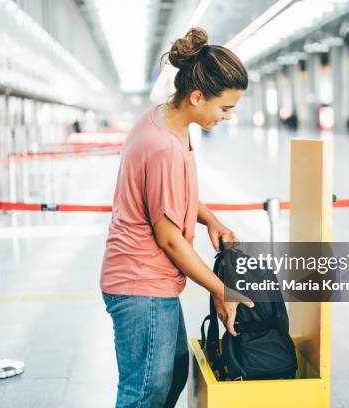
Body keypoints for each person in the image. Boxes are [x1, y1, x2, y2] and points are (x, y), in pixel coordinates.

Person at [100, 27, 253, 407]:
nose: (226, 117)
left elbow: (170, 194)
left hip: (148, 282)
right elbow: (168, 237)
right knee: (145, 392)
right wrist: (221, 289)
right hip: (140, 284)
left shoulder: (166, 120)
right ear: (198, 96)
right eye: (224, 108)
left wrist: (210, 219)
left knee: (173, 374)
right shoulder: (165, 146)